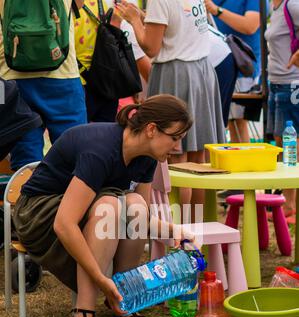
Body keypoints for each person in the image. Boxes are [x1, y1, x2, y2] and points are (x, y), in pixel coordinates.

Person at [13, 94, 195, 317]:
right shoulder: (100, 149)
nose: (177, 146)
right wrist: (99, 277)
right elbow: (64, 224)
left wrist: (173, 229)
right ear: (152, 129)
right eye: (174, 137)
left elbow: (142, 217)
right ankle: (83, 313)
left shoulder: (148, 156)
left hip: (77, 210)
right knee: (109, 207)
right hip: (38, 213)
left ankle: (122, 293)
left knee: (136, 206)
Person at [116, 0, 225, 222]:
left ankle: (179, 232)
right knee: (197, 163)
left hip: (175, 74)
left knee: (177, 163)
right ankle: (197, 232)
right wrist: (145, 16)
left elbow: (151, 47)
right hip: (201, 70)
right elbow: (177, 24)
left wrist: (135, 20)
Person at [0, 0, 87, 171]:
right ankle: (66, 197)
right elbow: (80, 4)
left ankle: (26, 196)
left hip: (8, 76)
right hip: (64, 73)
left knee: (24, 163)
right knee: (74, 155)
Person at [74, 0, 151, 122]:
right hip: (106, 78)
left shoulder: (65, 4)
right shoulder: (108, 4)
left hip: (81, 79)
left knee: (80, 131)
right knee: (103, 131)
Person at [205, 0, 262, 142]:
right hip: (216, 66)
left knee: (238, 122)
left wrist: (217, 10)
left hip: (243, 68)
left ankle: (241, 162)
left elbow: (250, 26)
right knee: (227, 122)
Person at [265, 0, 299, 221]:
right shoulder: (273, 5)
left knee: (291, 144)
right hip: (276, 82)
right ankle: (287, 200)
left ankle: (290, 203)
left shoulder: (293, 4)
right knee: (281, 142)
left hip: (292, 83)